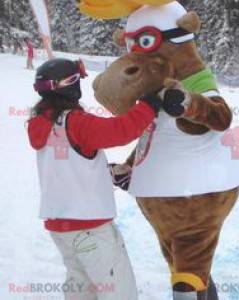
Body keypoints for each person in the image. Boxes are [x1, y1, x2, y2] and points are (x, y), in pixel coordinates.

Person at [27, 58, 161, 300]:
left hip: (61, 228)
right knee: (119, 291)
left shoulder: (42, 123)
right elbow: (122, 130)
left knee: (82, 288)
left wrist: (101, 171)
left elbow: (66, 165)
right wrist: (149, 105)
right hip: (89, 228)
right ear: (70, 86)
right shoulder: (76, 122)